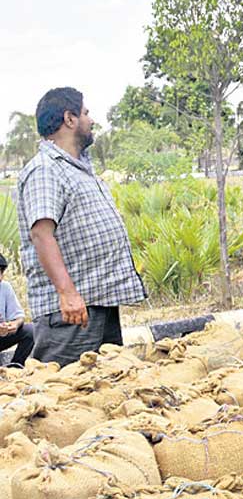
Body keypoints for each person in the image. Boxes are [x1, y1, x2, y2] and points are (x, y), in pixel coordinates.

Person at [15, 87, 146, 366]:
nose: (91, 119)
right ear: (69, 119)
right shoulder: (45, 169)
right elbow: (41, 233)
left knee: (107, 390)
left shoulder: (77, 167)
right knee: (62, 396)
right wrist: (68, 294)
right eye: (86, 113)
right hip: (71, 314)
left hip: (97, 302)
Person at [0, 255, 34, 367]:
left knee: (30, 330)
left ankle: (14, 368)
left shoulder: (4, 287)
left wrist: (14, 324)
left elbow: (19, 316)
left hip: (2, 336)